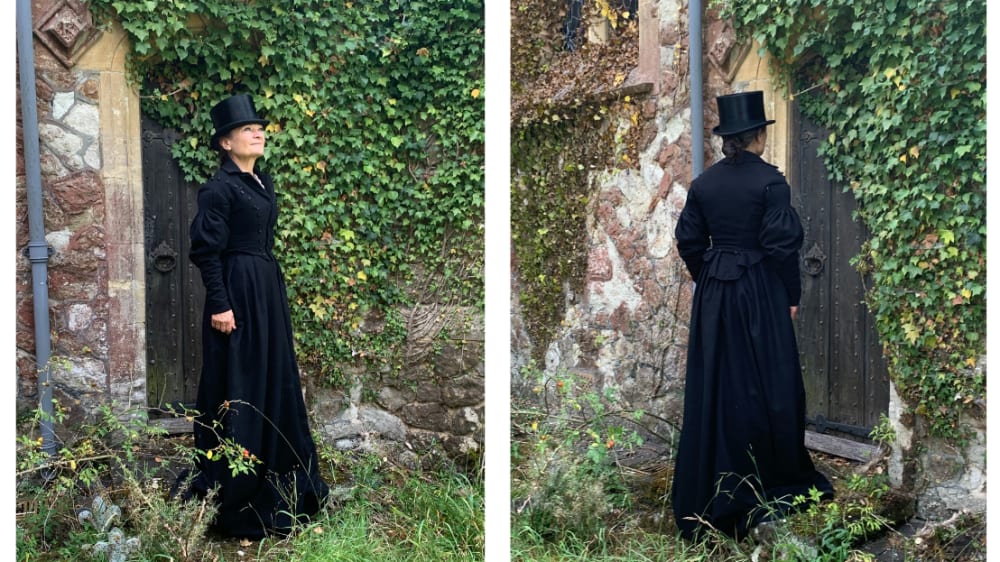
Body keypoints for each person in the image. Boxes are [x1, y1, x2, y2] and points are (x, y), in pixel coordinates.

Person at [670, 91, 834, 540]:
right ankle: (767, 479)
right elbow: (782, 247)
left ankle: (716, 483)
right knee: (771, 383)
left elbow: (688, 242)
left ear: (728, 139)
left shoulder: (703, 185)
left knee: (719, 383)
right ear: (757, 136)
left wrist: (713, 275)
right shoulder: (771, 183)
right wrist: (791, 295)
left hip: (715, 299)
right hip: (761, 293)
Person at [175, 94, 330, 539]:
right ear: (225, 143)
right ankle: (235, 487)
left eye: (259, 127)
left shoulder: (260, 183)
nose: (258, 132)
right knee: (239, 381)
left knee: (272, 377)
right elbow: (206, 252)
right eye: (247, 129)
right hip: (237, 293)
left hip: (265, 291)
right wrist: (221, 304)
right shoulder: (218, 188)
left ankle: (280, 477)